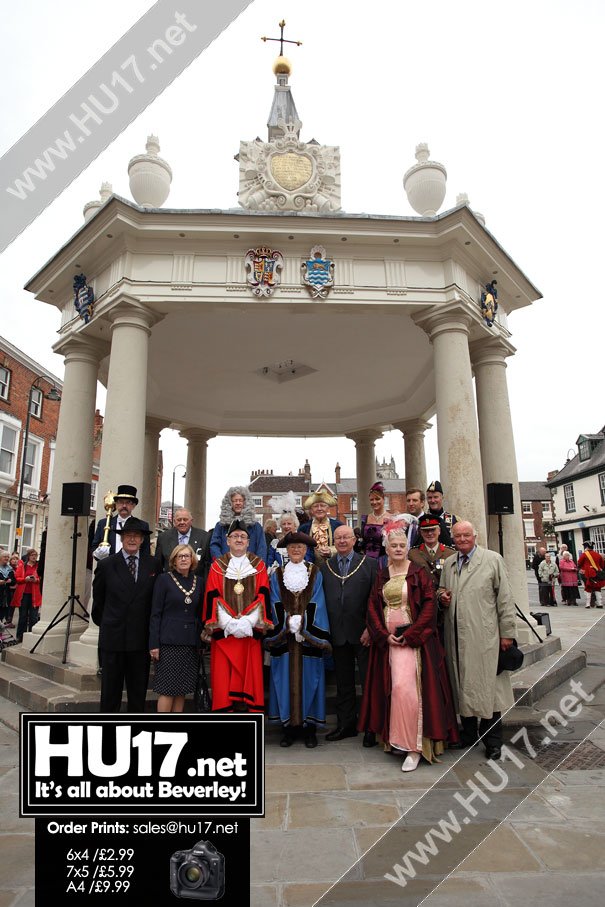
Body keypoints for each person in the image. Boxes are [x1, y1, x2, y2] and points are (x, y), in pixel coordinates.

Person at [359, 524, 459, 770]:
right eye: (393, 545)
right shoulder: (382, 575)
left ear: (407, 547)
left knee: (407, 690)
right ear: (386, 548)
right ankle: (396, 740)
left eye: (402, 545)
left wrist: (411, 635)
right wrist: (383, 635)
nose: (398, 549)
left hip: (413, 644)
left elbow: (428, 607)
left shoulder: (418, 573)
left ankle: (414, 747)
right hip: (389, 643)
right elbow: (372, 607)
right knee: (393, 689)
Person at [438, 521, 517, 760]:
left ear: (475, 536)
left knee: (487, 690)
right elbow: (441, 589)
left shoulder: (492, 560)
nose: (462, 539)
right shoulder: (450, 563)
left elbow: (505, 597)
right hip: (457, 636)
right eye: (457, 536)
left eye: (466, 535)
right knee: (462, 685)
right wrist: (441, 596)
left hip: (484, 636)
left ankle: (493, 741)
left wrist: (507, 633)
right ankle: (469, 734)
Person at [265, 531, 332, 748]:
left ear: (306, 550)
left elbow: (318, 601)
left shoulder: (315, 573)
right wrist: (286, 622)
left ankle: (309, 729)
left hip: (307, 638)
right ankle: (288, 730)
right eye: (292, 547)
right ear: (287, 550)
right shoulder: (277, 574)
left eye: (300, 547)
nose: (296, 550)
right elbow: (274, 600)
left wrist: (303, 623)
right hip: (285, 639)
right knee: (283, 681)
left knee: (310, 681)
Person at [202, 520, 272, 712]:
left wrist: (248, 622)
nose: (239, 539)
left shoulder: (259, 566)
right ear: (227, 541)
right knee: (223, 679)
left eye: (243, 537)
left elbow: (263, 595)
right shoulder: (217, 566)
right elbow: (212, 595)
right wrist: (230, 624)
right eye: (235, 536)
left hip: (249, 633)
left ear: (249, 542)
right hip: (226, 634)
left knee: (250, 678)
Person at [91, 517, 160, 712]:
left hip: (140, 640)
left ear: (142, 540)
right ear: (121, 539)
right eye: (128, 535)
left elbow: (154, 602)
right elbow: (98, 603)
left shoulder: (153, 564)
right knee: (110, 693)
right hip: (113, 639)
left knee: (137, 694)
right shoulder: (106, 565)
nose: (132, 539)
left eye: (136, 536)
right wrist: (110, 624)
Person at [320, 524, 377, 742]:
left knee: (367, 681)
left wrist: (370, 628)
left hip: (363, 633)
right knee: (344, 684)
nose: (342, 541)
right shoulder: (326, 566)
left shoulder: (369, 564)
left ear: (354, 540)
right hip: (338, 633)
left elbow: (376, 600)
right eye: (338, 538)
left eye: (346, 537)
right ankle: (347, 725)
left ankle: (371, 726)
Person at [149, 544, 203, 712]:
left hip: (190, 643)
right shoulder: (164, 579)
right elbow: (155, 613)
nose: (184, 559)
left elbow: (201, 613)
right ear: (173, 560)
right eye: (180, 556)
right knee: (167, 689)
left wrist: (202, 640)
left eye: (187, 556)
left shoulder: (199, 581)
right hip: (168, 643)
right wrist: (153, 644)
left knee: (182, 690)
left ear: (192, 559)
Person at [408, 514, 456, 642]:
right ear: (420, 532)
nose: (429, 533)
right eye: (425, 530)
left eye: (433, 529)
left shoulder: (451, 553)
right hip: (422, 605)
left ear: (439, 531)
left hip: (445, 606)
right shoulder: (413, 554)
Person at [91, 485, 151, 560]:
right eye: (121, 502)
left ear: (133, 506)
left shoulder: (143, 526)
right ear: (115, 504)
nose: (124, 505)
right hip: (109, 569)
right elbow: (94, 546)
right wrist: (98, 553)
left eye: (128, 502)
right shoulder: (103, 523)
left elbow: (146, 552)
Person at [210, 486, 267, 562]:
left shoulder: (256, 526)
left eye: (240, 500)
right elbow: (214, 546)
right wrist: (222, 563)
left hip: (250, 568)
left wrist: (257, 566)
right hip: (226, 568)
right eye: (235, 501)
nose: (238, 503)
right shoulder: (220, 526)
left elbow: (262, 548)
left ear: (245, 502)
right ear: (229, 503)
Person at [156, 508, 210, 582]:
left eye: (185, 519)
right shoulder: (163, 538)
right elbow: (158, 565)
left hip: (197, 585)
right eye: (179, 520)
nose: (182, 522)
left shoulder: (204, 537)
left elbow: (207, 564)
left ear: (191, 521)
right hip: (170, 584)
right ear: (174, 521)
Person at [300, 492, 343, 562]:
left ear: (328, 508)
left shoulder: (338, 526)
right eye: (316, 506)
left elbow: (345, 545)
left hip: (334, 566)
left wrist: (331, 551)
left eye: (322, 505)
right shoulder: (303, 528)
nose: (319, 509)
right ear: (311, 509)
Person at [358, 481, 392, 560]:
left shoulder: (391, 518)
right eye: (371, 500)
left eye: (377, 499)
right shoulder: (365, 518)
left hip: (383, 560)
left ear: (383, 499)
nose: (374, 502)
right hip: (366, 560)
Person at [13, 549, 42, 642]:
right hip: (24, 594)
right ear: (28, 556)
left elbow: (42, 578)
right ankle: (20, 637)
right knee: (23, 616)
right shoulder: (22, 566)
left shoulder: (38, 567)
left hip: (34, 595)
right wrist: (25, 579)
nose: (34, 557)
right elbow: (17, 578)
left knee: (34, 617)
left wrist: (36, 580)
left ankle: (31, 637)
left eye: (36, 555)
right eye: (32, 555)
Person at [426, 480, 459, 547]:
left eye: (435, 497)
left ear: (442, 498)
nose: (432, 500)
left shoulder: (454, 519)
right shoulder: (423, 519)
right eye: (430, 498)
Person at [577, 540, 605, 609]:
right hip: (597, 573)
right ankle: (599, 603)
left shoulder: (584, 554)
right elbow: (602, 565)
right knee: (597, 588)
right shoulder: (598, 554)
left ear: (586, 547)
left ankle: (587, 604)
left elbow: (579, 563)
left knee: (588, 588)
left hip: (588, 573)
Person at [0, 550, 17, 627]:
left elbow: (14, 581)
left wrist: (10, 581)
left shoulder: (10, 569)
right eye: (5, 557)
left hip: (6, 595)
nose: (6, 558)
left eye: (7, 557)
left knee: (3, 613)